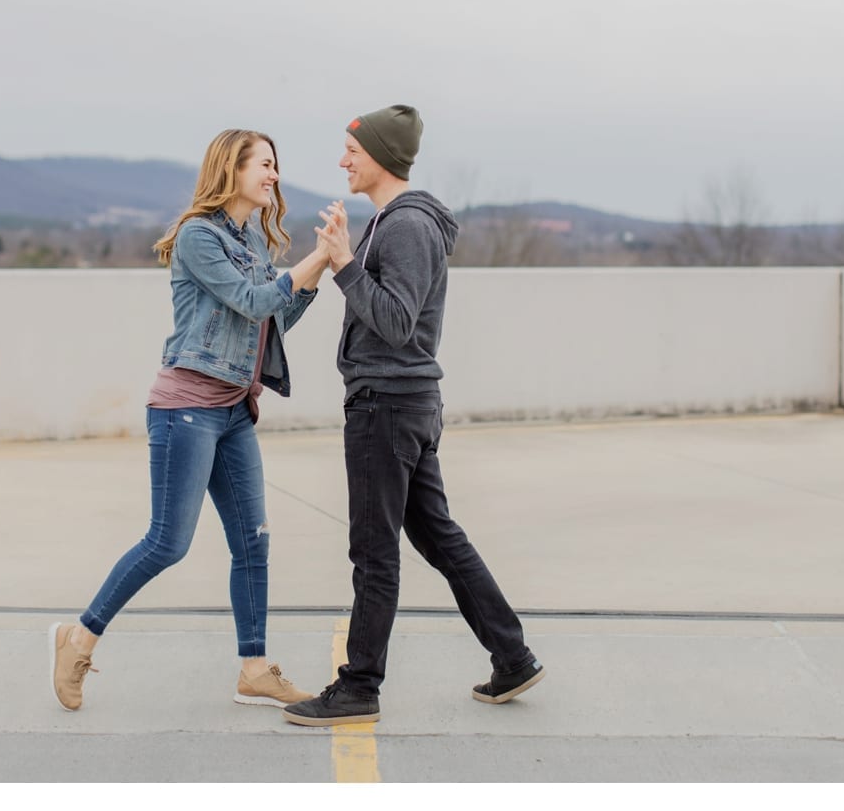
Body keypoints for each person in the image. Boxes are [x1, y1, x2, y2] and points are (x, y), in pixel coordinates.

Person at [49, 128, 334, 712]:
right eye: (265, 164)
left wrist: (320, 269)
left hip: (233, 411)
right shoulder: (198, 239)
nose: (274, 176)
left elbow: (270, 323)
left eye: (276, 166)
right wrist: (317, 258)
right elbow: (255, 302)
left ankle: (254, 669)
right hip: (185, 411)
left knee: (253, 543)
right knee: (168, 543)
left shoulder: (249, 240)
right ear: (232, 168)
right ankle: (79, 636)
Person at [283, 105, 545, 727]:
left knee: (375, 552)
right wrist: (347, 256)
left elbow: (397, 323)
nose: (343, 160)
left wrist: (344, 264)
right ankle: (512, 656)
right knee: (438, 537)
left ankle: (358, 688)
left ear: (379, 154)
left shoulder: (404, 226)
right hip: (403, 403)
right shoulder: (393, 222)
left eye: (351, 150)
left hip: (388, 405)